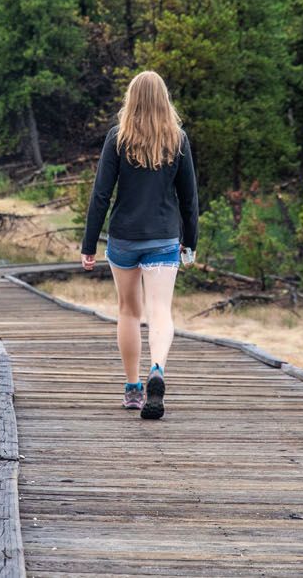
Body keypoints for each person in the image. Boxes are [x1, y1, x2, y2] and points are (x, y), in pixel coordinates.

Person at [80, 71, 198, 420]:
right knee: (160, 311)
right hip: (164, 237)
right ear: (165, 99)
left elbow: (101, 195)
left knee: (129, 311)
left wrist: (89, 243)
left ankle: (133, 388)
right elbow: (189, 198)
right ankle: (157, 369)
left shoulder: (118, 138)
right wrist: (190, 243)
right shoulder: (178, 140)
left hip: (124, 238)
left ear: (131, 99)